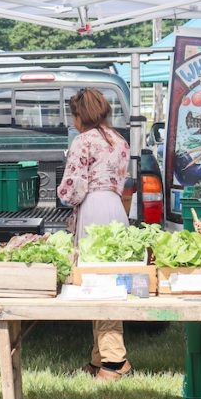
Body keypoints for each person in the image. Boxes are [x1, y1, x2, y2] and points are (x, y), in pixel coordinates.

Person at [57, 88, 132, 381]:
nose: (74, 122)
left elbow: (72, 190)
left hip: (93, 211)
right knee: (108, 281)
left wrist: (61, 193)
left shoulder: (82, 142)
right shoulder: (120, 141)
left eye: (74, 116)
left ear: (81, 115)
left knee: (98, 286)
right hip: (115, 208)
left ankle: (115, 362)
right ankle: (99, 357)